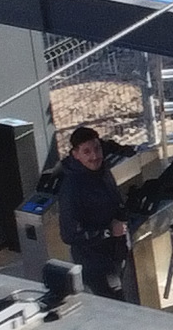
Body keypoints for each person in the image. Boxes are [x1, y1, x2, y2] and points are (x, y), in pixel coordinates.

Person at [56, 125, 134, 301]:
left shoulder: (101, 169)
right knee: (114, 305)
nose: (94, 156)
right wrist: (108, 231)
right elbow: (69, 234)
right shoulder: (72, 188)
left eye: (97, 149)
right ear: (75, 154)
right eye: (87, 152)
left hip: (116, 253)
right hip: (95, 262)